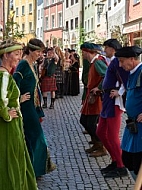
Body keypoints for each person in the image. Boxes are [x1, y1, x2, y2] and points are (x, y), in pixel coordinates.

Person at [13, 38, 56, 178]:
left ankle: (34, 168)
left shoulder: (32, 64)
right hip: (26, 108)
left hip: (32, 106)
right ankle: (31, 170)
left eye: (41, 52)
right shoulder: (23, 65)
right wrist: (18, 99)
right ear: (30, 50)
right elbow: (13, 84)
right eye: (38, 51)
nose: (40, 54)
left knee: (35, 137)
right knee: (35, 137)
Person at [0, 39, 37, 189]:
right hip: (8, 126)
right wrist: (7, 114)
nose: (19, 57)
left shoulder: (6, 74)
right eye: (16, 54)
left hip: (13, 125)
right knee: (10, 161)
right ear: (5, 55)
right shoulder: (4, 76)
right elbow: (1, 99)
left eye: (20, 54)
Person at [96, 39, 129, 178]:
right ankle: (115, 160)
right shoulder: (115, 61)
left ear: (112, 49)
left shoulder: (118, 61)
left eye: (106, 48)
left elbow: (127, 80)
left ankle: (121, 165)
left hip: (114, 101)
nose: (105, 50)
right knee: (101, 132)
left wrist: (119, 92)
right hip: (108, 100)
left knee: (112, 135)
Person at [115, 46, 142, 179]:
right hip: (132, 125)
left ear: (132, 59)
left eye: (121, 61)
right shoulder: (132, 72)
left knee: (137, 162)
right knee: (127, 159)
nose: (120, 65)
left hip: (141, 126)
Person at [80, 42, 108, 157]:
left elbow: (107, 75)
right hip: (91, 96)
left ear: (88, 52)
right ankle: (96, 143)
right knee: (83, 121)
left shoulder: (98, 62)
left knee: (90, 123)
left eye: (83, 52)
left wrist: (99, 87)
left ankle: (101, 146)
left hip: (96, 98)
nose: (82, 54)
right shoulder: (93, 62)